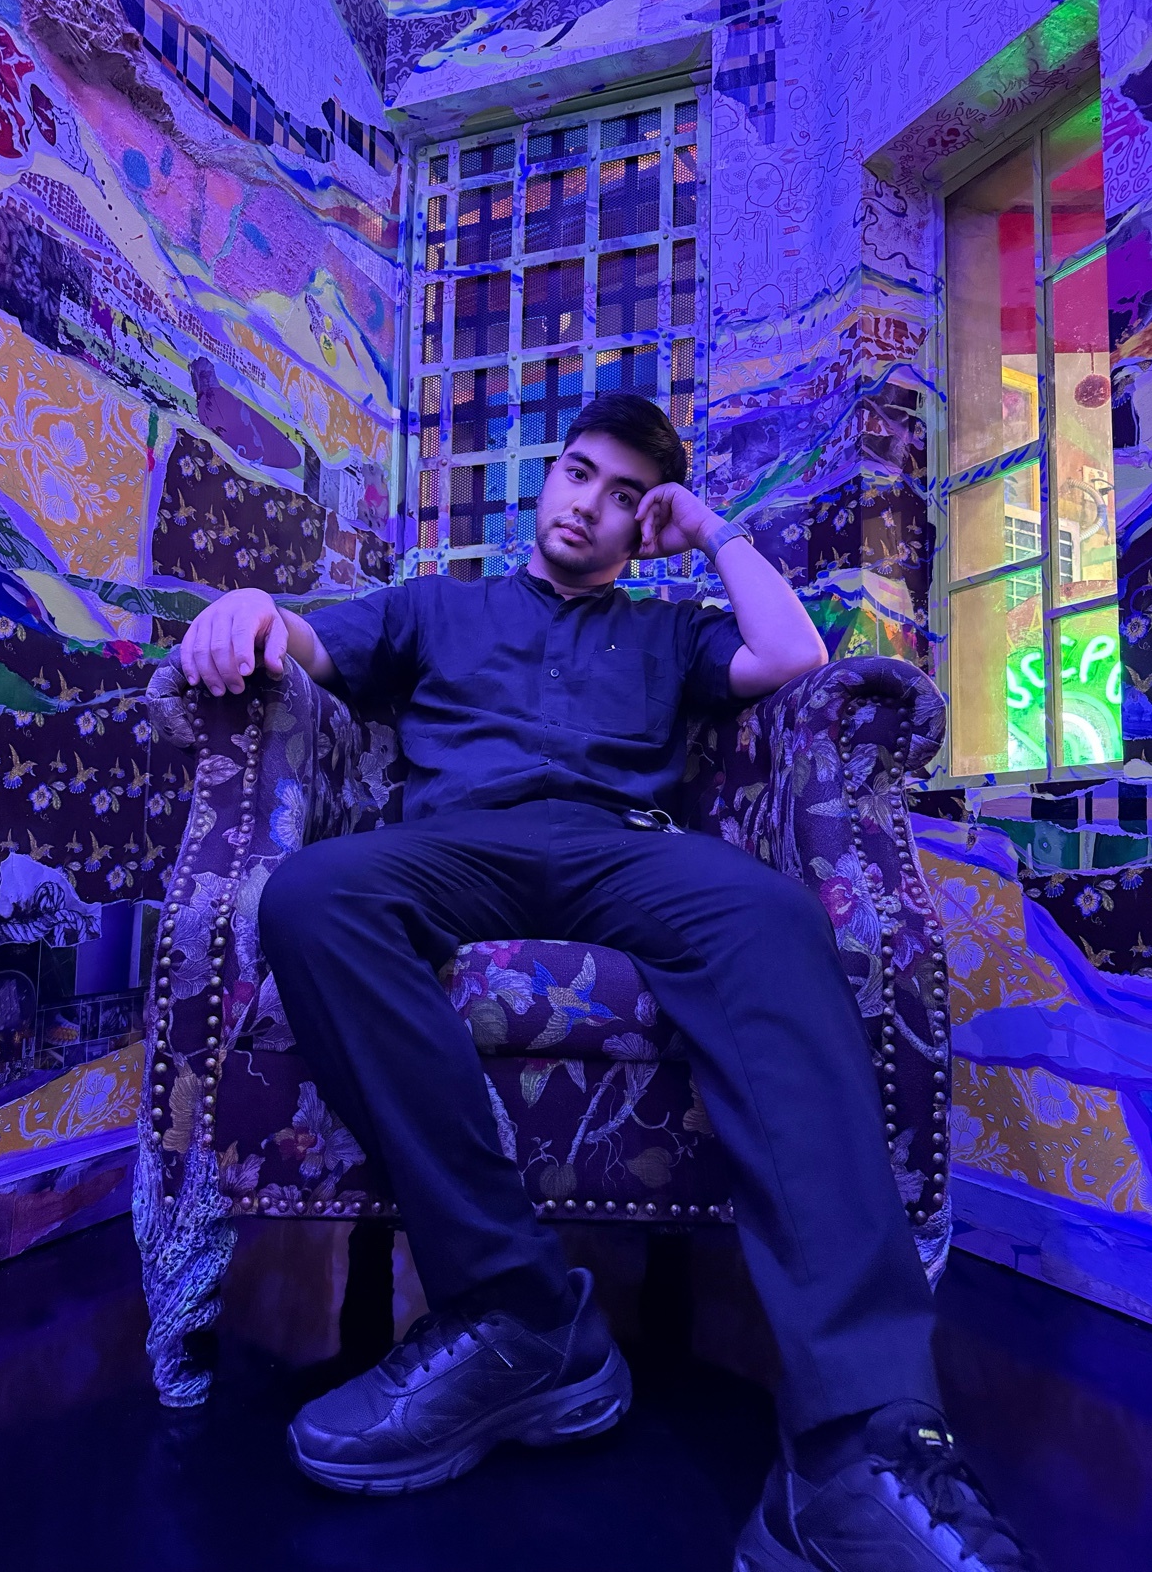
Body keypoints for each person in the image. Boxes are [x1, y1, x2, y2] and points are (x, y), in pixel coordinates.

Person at [180, 396, 1038, 1571]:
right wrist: (248, 608)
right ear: (549, 478)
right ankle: (519, 1309)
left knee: (773, 918)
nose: (589, 505)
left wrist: (712, 529)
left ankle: (859, 1441)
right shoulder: (438, 605)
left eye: (626, 495)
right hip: (460, 844)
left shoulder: (668, 633)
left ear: (647, 525)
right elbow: (311, 646)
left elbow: (795, 659)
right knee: (315, 895)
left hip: (625, 848)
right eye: (579, 474)